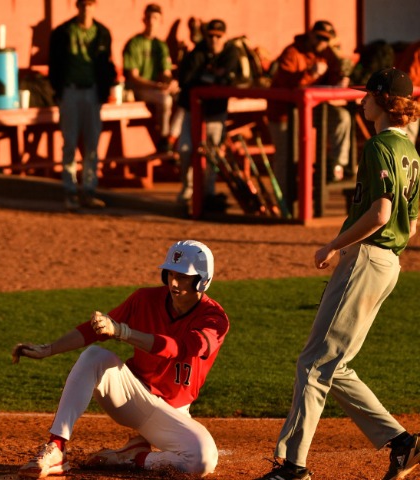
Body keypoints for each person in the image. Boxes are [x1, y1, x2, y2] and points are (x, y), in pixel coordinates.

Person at [257, 68, 420, 480]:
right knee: (335, 364)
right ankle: (401, 442)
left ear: (382, 99)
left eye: (367, 95)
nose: (361, 100)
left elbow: (380, 213)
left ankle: (293, 467)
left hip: (366, 259)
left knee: (313, 364)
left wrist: (333, 244)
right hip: (389, 265)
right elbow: (411, 223)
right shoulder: (412, 152)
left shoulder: (379, 145)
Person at [13, 240, 229, 478]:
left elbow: (179, 348)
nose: (174, 283)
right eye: (170, 274)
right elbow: (94, 330)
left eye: (183, 277)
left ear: (202, 279)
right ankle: (56, 448)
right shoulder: (144, 299)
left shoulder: (214, 319)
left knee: (202, 460)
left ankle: (133, 457)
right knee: (95, 356)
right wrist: (49, 349)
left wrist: (123, 332)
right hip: (133, 397)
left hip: (172, 413)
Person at [268, 20, 352, 195]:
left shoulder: (327, 53)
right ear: (311, 35)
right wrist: (310, 73)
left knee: (342, 117)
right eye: (319, 37)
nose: (322, 42)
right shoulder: (292, 52)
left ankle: (337, 165)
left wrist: (341, 79)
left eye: (326, 39)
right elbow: (285, 85)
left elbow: (333, 79)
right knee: (286, 157)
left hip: (310, 109)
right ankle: (284, 201)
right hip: (284, 112)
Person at [48, 0, 117, 211]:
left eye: (90, 4)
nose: (86, 8)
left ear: (95, 6)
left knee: (92, 143)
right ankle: (70, 190)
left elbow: (106, 64)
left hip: (92, 91)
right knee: (69, 141)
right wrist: (58, 91)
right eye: (83, 4)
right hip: (70, 90)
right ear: (77, 6)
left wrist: (105, 90)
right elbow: (54, 64)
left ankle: (89, 190)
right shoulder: (63, 32)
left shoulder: (102, 33)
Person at [175, 19, 242, 209]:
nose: (214, 40)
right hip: (192, 110)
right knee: (186, 149)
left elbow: (229, 79)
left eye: (218, 36)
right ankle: (188, 189)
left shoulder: (231, 52)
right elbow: (186, 80)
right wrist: (212, 77)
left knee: (213, 153)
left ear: (224, 37)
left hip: (216, 111)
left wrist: (206, 77)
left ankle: (208, 192)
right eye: (211, 36)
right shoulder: (197, 52)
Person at [122, 3, 179, 152]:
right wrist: (157, 86)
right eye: (149, 18)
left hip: (157, 89)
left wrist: (171, 83)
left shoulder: (161, 46)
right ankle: (164, 139)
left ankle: (173, 138)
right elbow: (133, 77)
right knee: (165, 100)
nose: (152, 22)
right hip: (138, 89)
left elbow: (166, 73)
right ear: (144, 20)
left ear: (161, 21)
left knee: (184, 97)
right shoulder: (135, 43)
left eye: (155, 18)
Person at [395, 40, 420, 144]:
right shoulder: (417, 50)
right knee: (406, 142)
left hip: (411, 104)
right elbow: (409, 83)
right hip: (410, 105)